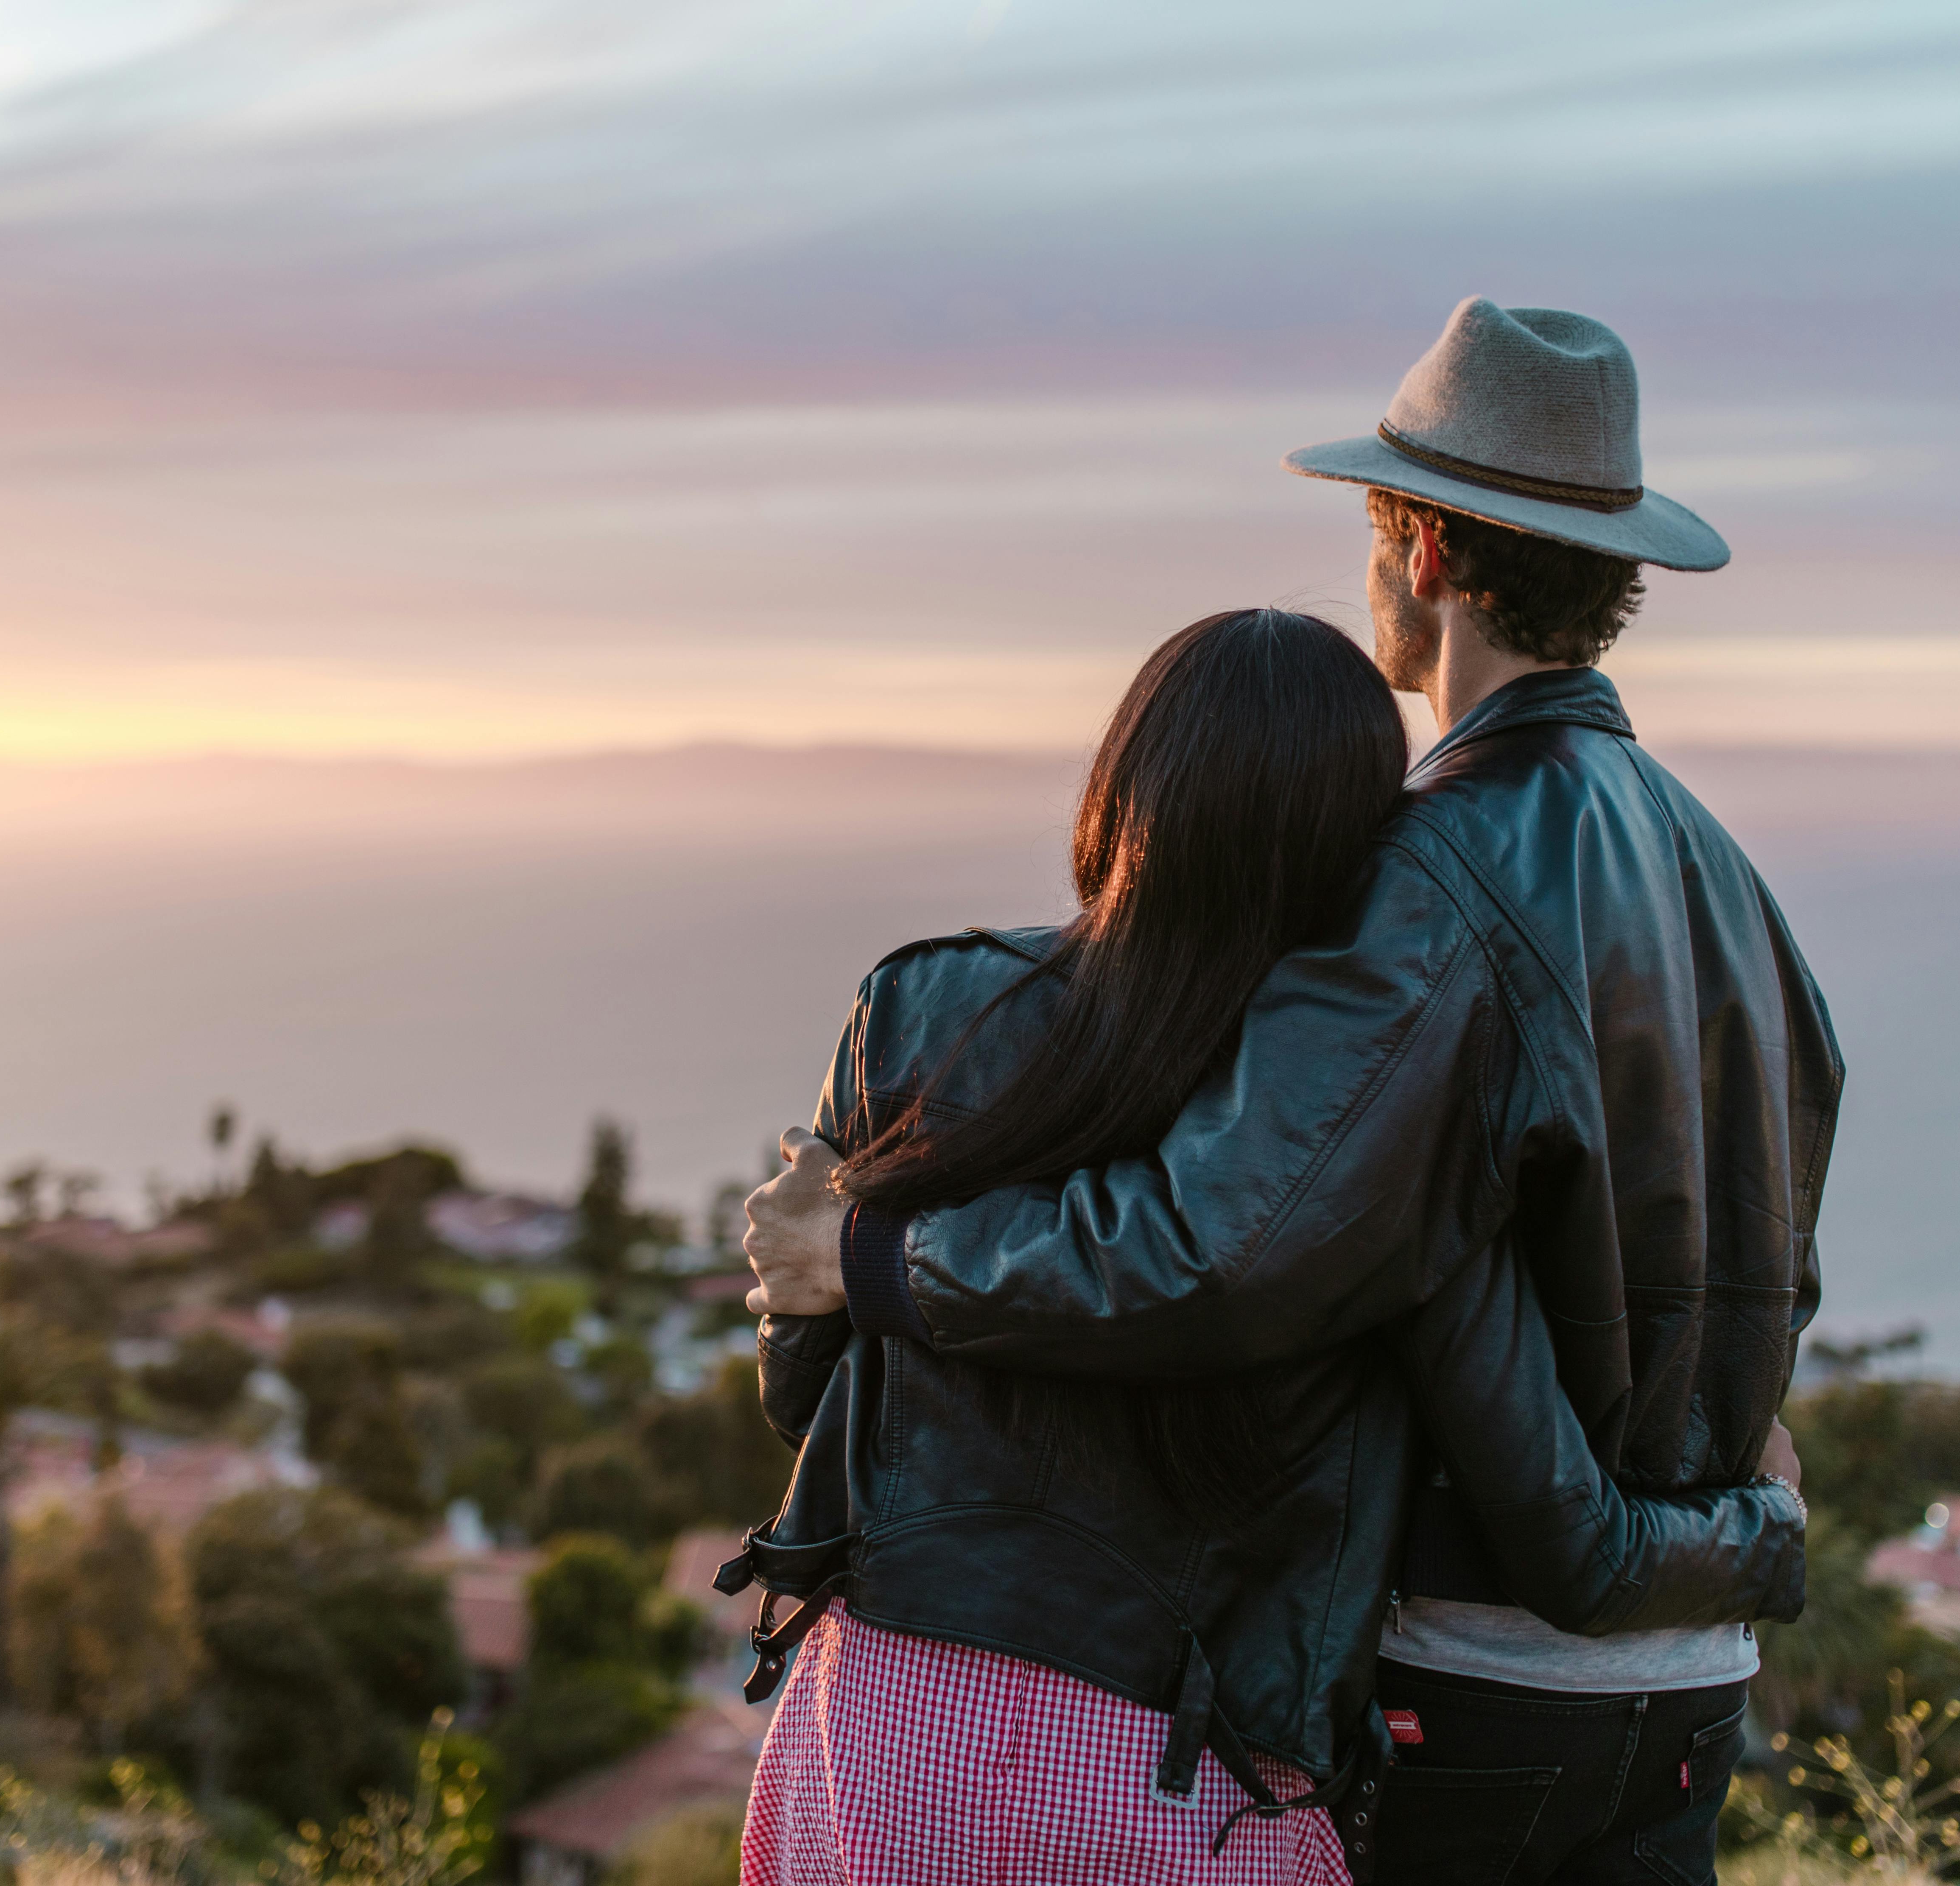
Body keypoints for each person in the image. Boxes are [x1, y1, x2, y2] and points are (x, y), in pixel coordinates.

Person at [744, 299, 1842, 1884]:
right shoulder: (1730, 880)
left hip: (1472, 1677)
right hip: (1683, 1685)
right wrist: (1744, 1526)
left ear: (1426, 554)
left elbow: (1222, 1247)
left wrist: (864, 1264)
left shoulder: (1425, 880)